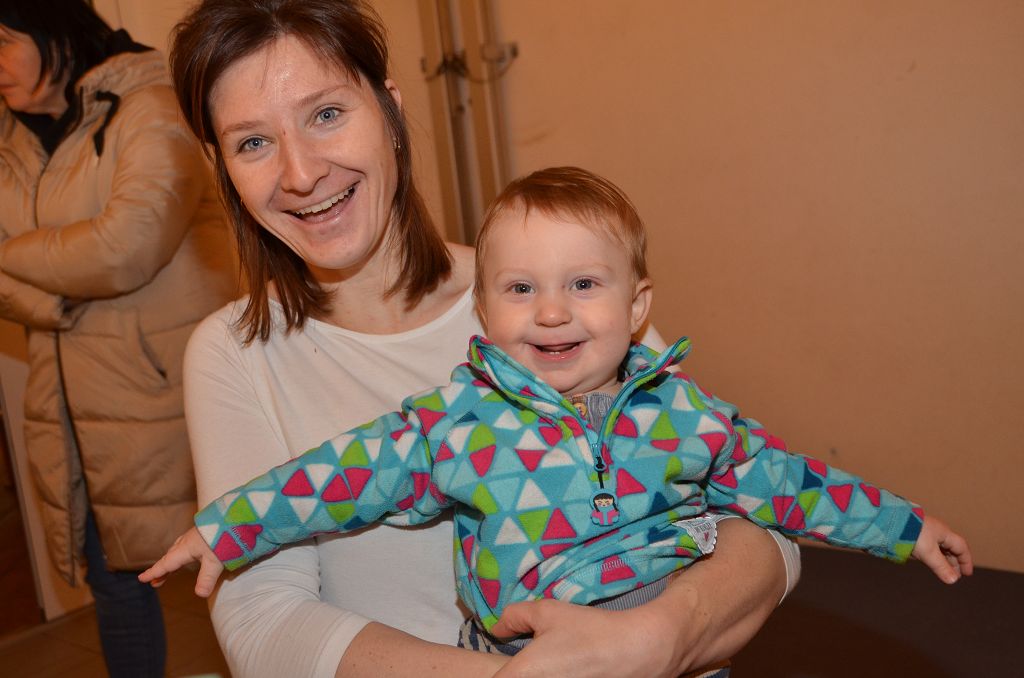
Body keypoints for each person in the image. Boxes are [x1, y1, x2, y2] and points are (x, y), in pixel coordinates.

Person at [163, 1, 801, 676]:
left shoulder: (545, 297)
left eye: (326, 114)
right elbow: (264, 625)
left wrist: (660, 637)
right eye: (252, 143)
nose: (299, 173)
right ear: (223, 169)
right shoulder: (233, 355)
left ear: (390, 112)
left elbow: (761, 518)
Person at [141, 166, 973, 657]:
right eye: (519, 289)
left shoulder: (684, 414)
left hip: (672, 647)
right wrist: (228, 527)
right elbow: (338, 476)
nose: (550, 312)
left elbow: (789, 483)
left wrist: (905, 528)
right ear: (482, 312)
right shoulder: (458, 422)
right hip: (517, 656)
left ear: (637, 305)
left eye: (582, 284)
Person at [0, 1, 237, 676]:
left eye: (3, 41)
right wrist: (56, 296)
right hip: (69, 409)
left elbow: (126, 248)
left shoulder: (149, 106)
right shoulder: (9, 138)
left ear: (53, 28)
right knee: (115, 585)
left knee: (232, 569)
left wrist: (11, 254)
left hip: (167, 396)